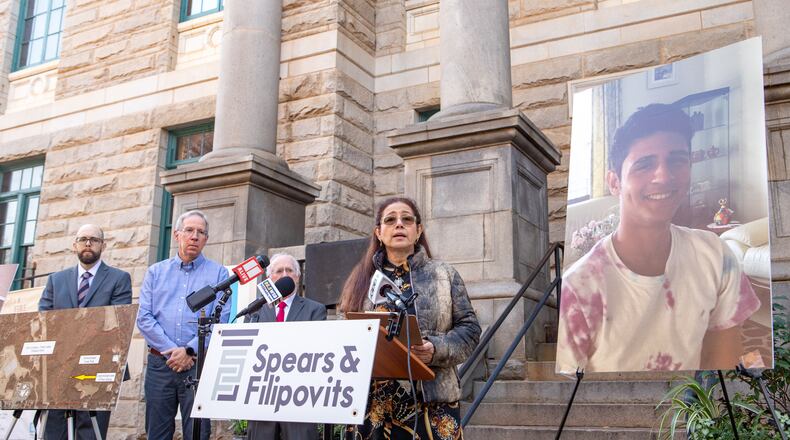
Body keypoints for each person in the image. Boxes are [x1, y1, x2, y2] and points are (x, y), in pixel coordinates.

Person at [556, 103, 761, 374]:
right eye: (644, 164)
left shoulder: (714, 254)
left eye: (677, 160)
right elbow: (570, 395)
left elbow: (723, 363)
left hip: (695, 413)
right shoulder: (580, 285)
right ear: (614, 182)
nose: (664, 176)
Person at [339, 197, 481, 439]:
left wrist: (436, 349)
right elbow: (346, 337)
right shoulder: (360, 280)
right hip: (373, 406)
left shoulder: (444, 274)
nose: (399, 225)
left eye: (407, 219)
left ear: (418, 231)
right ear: (379, 232)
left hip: (432, 404)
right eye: (390, 220)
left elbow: (470, 331)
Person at [136, 210, 230, 440]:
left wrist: (189, 351)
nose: (195, 236)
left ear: (206, 239)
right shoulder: (155, 273)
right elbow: (144, 318)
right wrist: (173, 352)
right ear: (177, 235)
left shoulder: (218, 273)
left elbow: (220, 319)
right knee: (157, 433)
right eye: (189, 230)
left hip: (197, 365)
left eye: (201, 232)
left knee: (198, 433)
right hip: (160, 365)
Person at [38, 224, 133, 440]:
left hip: (98, 369)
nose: (88, 243)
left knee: (90, 433)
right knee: (53, 432)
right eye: (83, 239)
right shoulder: (56, 280)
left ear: (103, 245)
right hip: (58, 369)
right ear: (75, 245)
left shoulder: (119, 279)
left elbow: (116, 323)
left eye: (94, 239)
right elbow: (44, 321)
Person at [245, 253, 327, 440]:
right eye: (278, 271)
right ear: (269, 278)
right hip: (262, 397)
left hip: (299, 397)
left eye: (289, 270)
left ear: (297, 277)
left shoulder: (315, 310)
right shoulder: (255, 311)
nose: (284, 275)